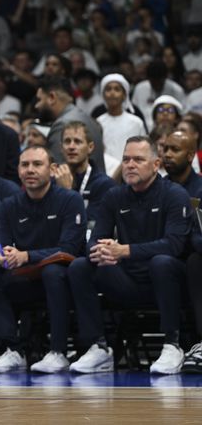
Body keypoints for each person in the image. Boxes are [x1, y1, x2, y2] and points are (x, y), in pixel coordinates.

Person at [68, 136, 191, 375]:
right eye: (126, 159)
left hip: (165, 282)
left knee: (162, 262)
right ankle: (99, 346)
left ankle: (172, 344)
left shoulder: (175, 194)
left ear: (156, 164)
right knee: (80, 266)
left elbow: (174, 245)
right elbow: (93, 239)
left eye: (138, 159)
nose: (130, 165)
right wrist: (100, 250)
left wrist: (124, 250)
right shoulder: (114, 196)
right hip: (126, 280)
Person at [0, 145, 86, 373]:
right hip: (26, 276)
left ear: (52, 169)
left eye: (37, 164)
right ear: (18, 170)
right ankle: (12, 350)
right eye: (25, 165)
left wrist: (26, 256)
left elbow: (69, 249)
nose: (30, 170)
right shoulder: (9, 205)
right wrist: (4, 257)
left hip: (62, 277)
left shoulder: (70, 200)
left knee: (53, 272)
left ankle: (58, 351)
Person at [52, 121, 116, 225]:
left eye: (77, 141)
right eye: (67, 141)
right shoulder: (52, 182)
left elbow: (90, 226)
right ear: (61, 148)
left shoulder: (104, 185)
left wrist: (67, 193)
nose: (71, 146)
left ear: (90, 147)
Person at [35, 76, 105, 167]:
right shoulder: (88, 118)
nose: (36, 106)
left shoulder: (62, 125)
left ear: (52, 97)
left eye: (39, 100)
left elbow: (58, 171)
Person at [95, 74, 147, 176]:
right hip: (105, 174)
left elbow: (144, 149)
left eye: (117, 89)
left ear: (124, 95)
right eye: (108, 89)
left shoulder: (136, 122)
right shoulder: (98, 122)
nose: (112, 93)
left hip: (132, 172)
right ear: (103, 94)